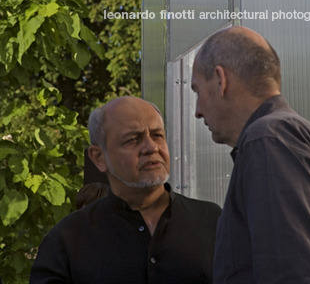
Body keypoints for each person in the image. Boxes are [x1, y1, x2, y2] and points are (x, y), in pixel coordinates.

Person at [191, 26, 310, 284]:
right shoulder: (298, 136)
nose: (197, 111)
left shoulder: (268, 139)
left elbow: (293, 275)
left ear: (221, 79)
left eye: (197, 91)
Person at [30, 96, 221, 284]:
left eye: (157, 135)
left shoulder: (213, 222)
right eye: (132, 139)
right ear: (99, 157)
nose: (151, 147)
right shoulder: (67, 241)